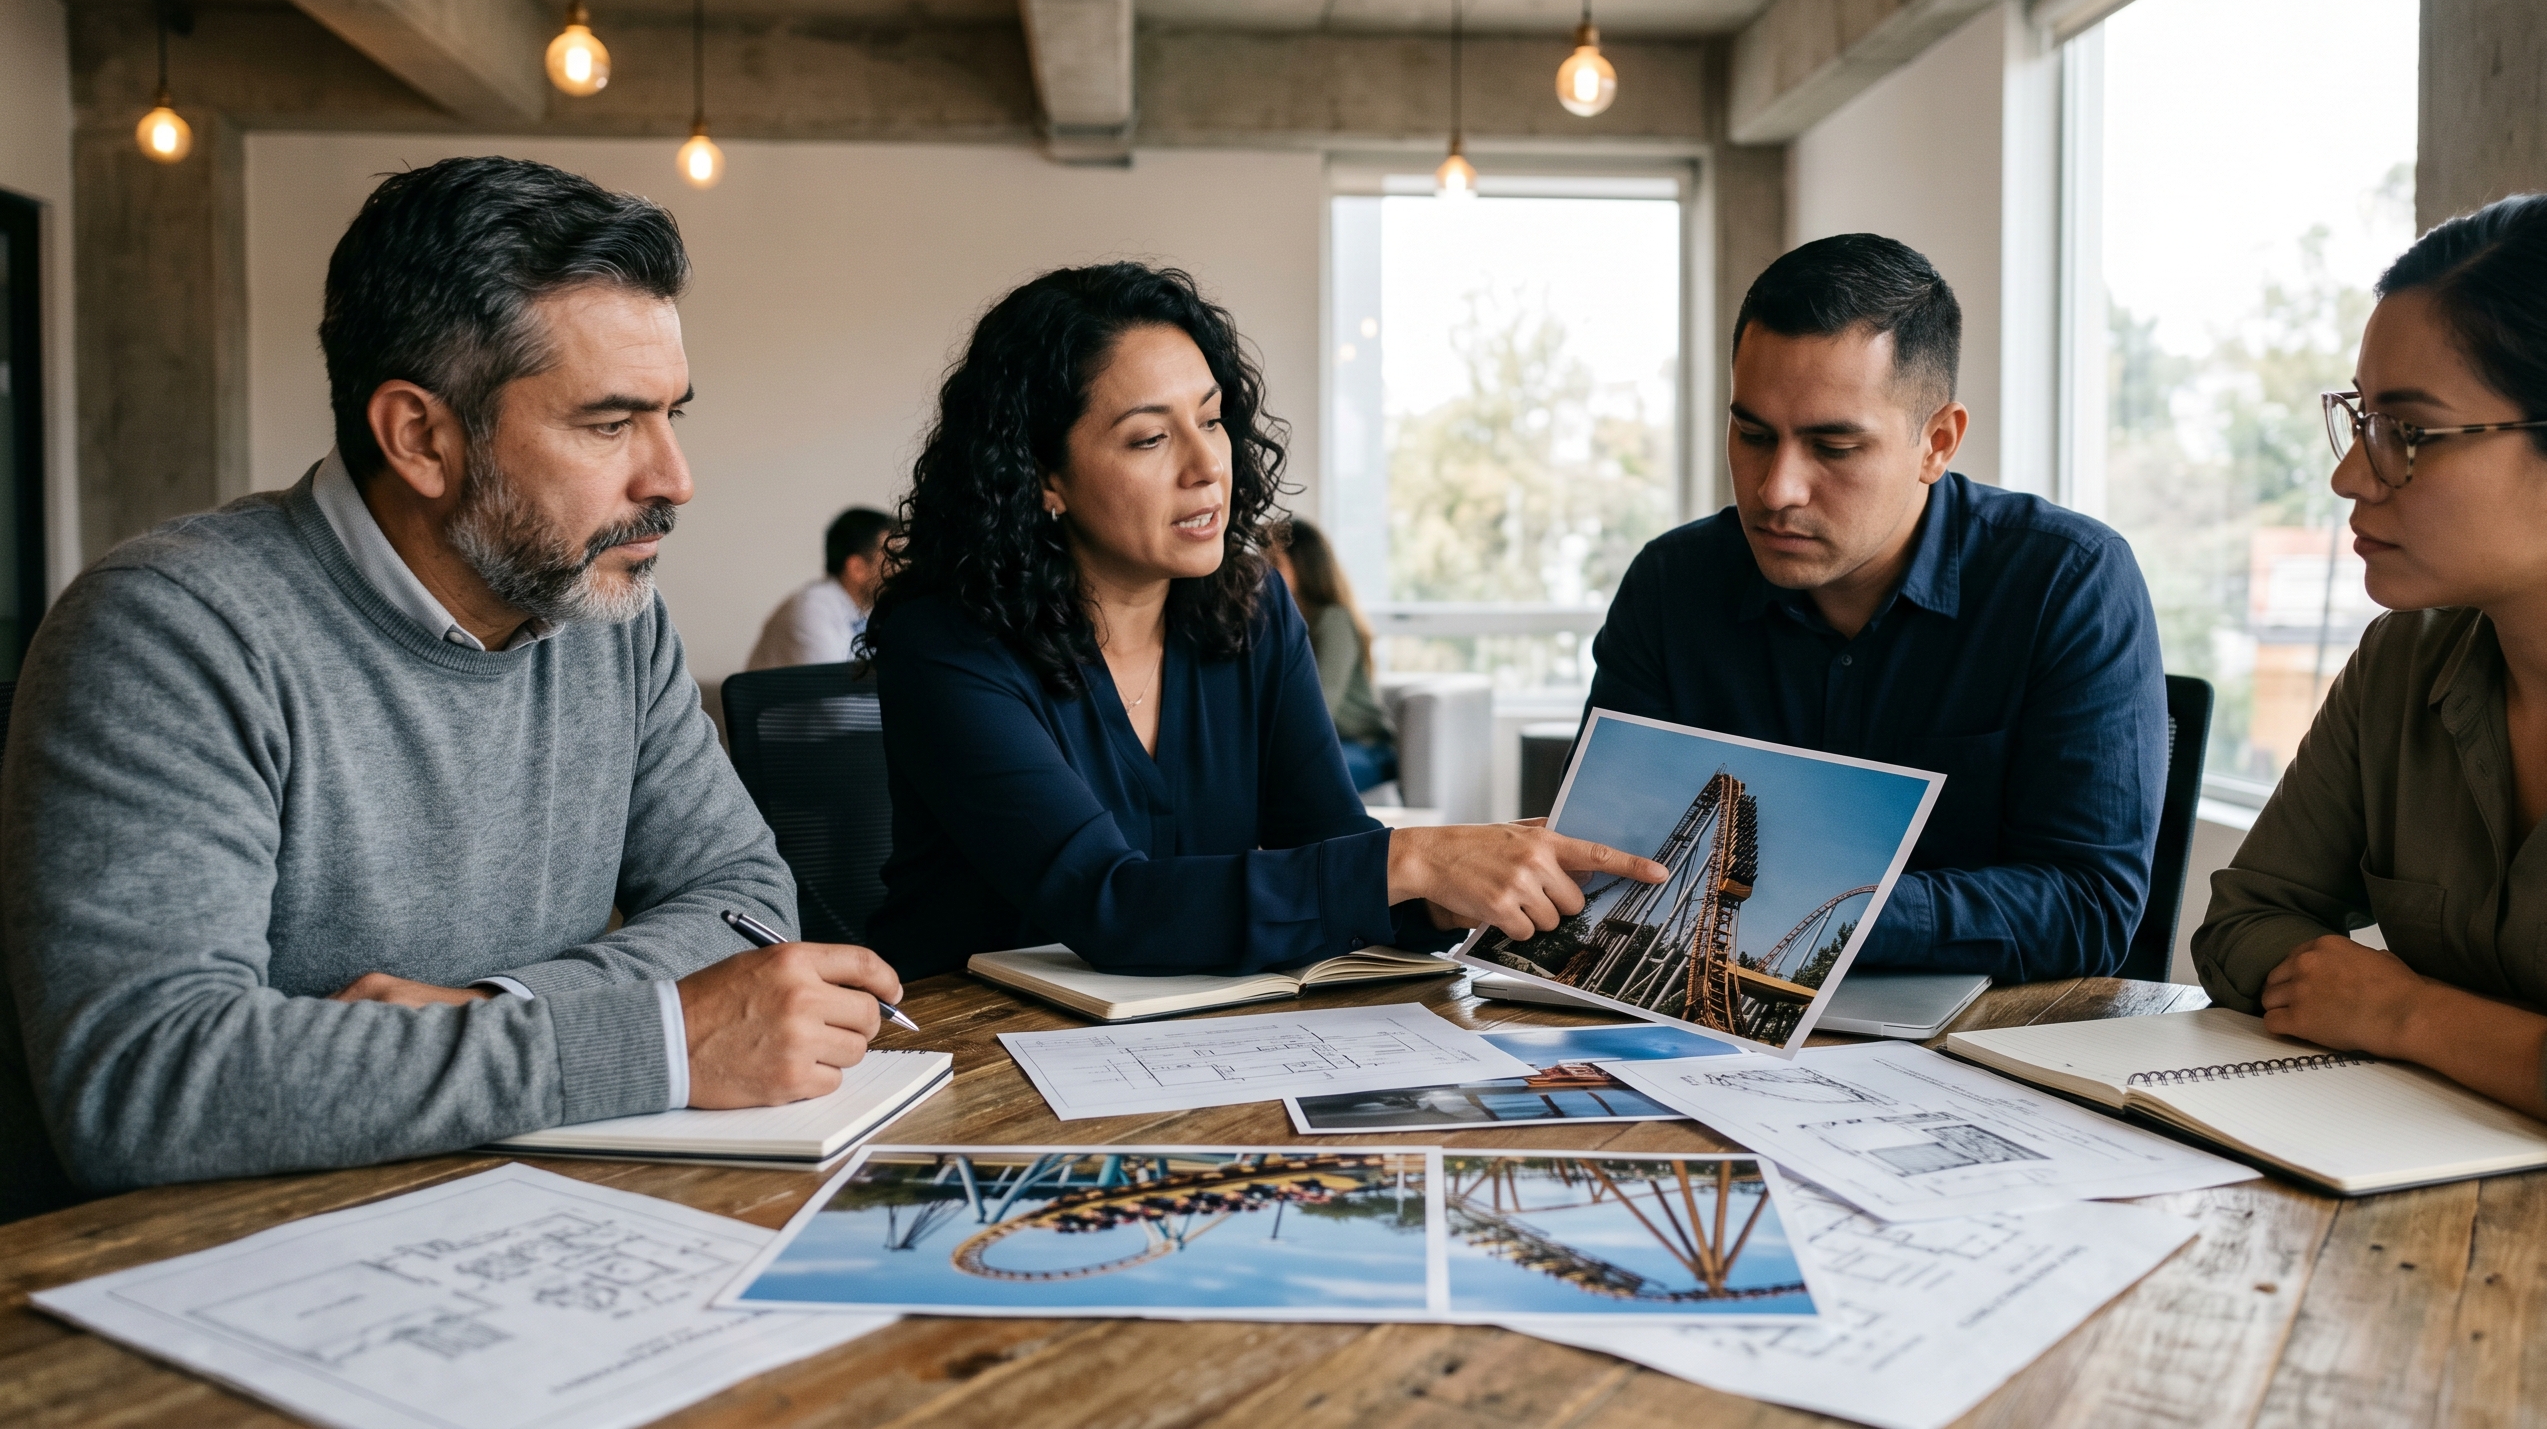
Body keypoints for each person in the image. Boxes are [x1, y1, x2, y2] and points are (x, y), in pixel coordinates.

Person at [0, 157, 902, 1219]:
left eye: (673, 416)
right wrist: (659, 1039)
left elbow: (744, 901)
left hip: (532, 1210)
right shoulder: (173, 630)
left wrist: (493, 1011)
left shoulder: (609, 613)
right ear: (421, 437)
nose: (672, 479)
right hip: (233, 1266)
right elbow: (144, 1082)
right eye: (610, 425)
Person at [2192, 191, 2547, 1425]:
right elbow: (2244, 927)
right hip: (2417, 1240)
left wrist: (2401, 1008)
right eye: (2359, 419)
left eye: (2409, 432)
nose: (2351, 473)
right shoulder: (2408, 660)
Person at [859, 262, 1665, 981]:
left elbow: (1324, 839)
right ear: (1044, 480)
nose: (1208, 465)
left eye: (1210, 420)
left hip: (1192, 1035)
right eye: (1149, 437)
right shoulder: (945, 641)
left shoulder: (1250, 604)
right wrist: (1415, 857)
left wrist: (1450, 890)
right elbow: (1109, 903)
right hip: (967, 1048)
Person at [1586, 234, 2165, 983]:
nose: (1775, 490)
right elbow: (1607, 855)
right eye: (1753, 434)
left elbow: (2090, 907)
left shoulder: (2068, 581)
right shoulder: (1672, 584)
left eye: (1833, 447)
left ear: (1938, 443)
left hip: (1976, 1043)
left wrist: (1811, 915)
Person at [1270, 517, 1397, 791]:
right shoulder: (1280, 624)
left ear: (1304, 567)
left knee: (1292, 782)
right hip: (1330, 747)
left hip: (1363, 747)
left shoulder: (1333, 620)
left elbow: (1321, 705)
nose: (1264, 574)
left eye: (1274, 564)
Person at [747, 506, 892, 670]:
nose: (903, 567)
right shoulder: (811, 608)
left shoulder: (866, 611)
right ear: (857, 568)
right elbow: (837, 690)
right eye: (892, 558)